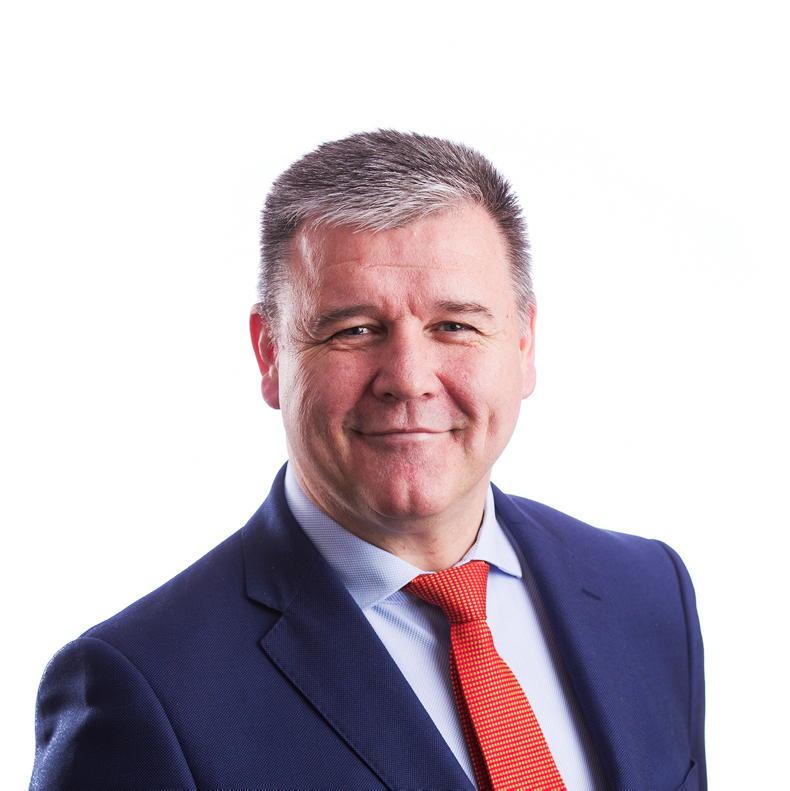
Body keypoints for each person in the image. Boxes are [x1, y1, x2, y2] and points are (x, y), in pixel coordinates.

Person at [30, 131, 705, 790]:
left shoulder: (648, 591)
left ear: (524, 344)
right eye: (353, 329)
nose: (408, 378)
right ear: (270, 354)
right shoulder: (142, 690)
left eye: (455, 326)